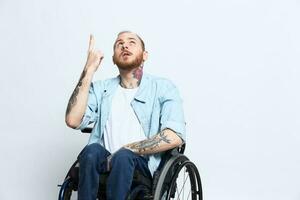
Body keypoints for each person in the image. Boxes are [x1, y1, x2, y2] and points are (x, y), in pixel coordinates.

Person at [65, 31, 186, 200]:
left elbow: (174, 136)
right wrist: (89, 69)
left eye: (131, 42)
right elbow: (72, 120)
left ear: (145, 55)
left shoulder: (163, 88)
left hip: (142, 168)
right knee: (91, 151)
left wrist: (128, 148)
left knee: (123, 157)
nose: (125, 45)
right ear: (114, 58)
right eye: (119, 43)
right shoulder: (102, 89)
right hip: (104, 165)